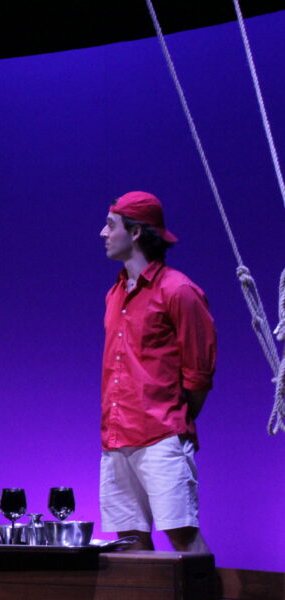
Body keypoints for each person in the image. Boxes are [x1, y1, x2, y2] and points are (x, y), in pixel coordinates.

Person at [98, 191, 216, 553]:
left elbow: (198, 372)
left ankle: (203, 595)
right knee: (130, 541)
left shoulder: (178, 290)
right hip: (116, 437)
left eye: (111, 225)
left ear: (135, 232)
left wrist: (171, 417)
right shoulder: (116, 292)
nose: (103, 233)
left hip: (161, 435)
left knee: (182, 536)